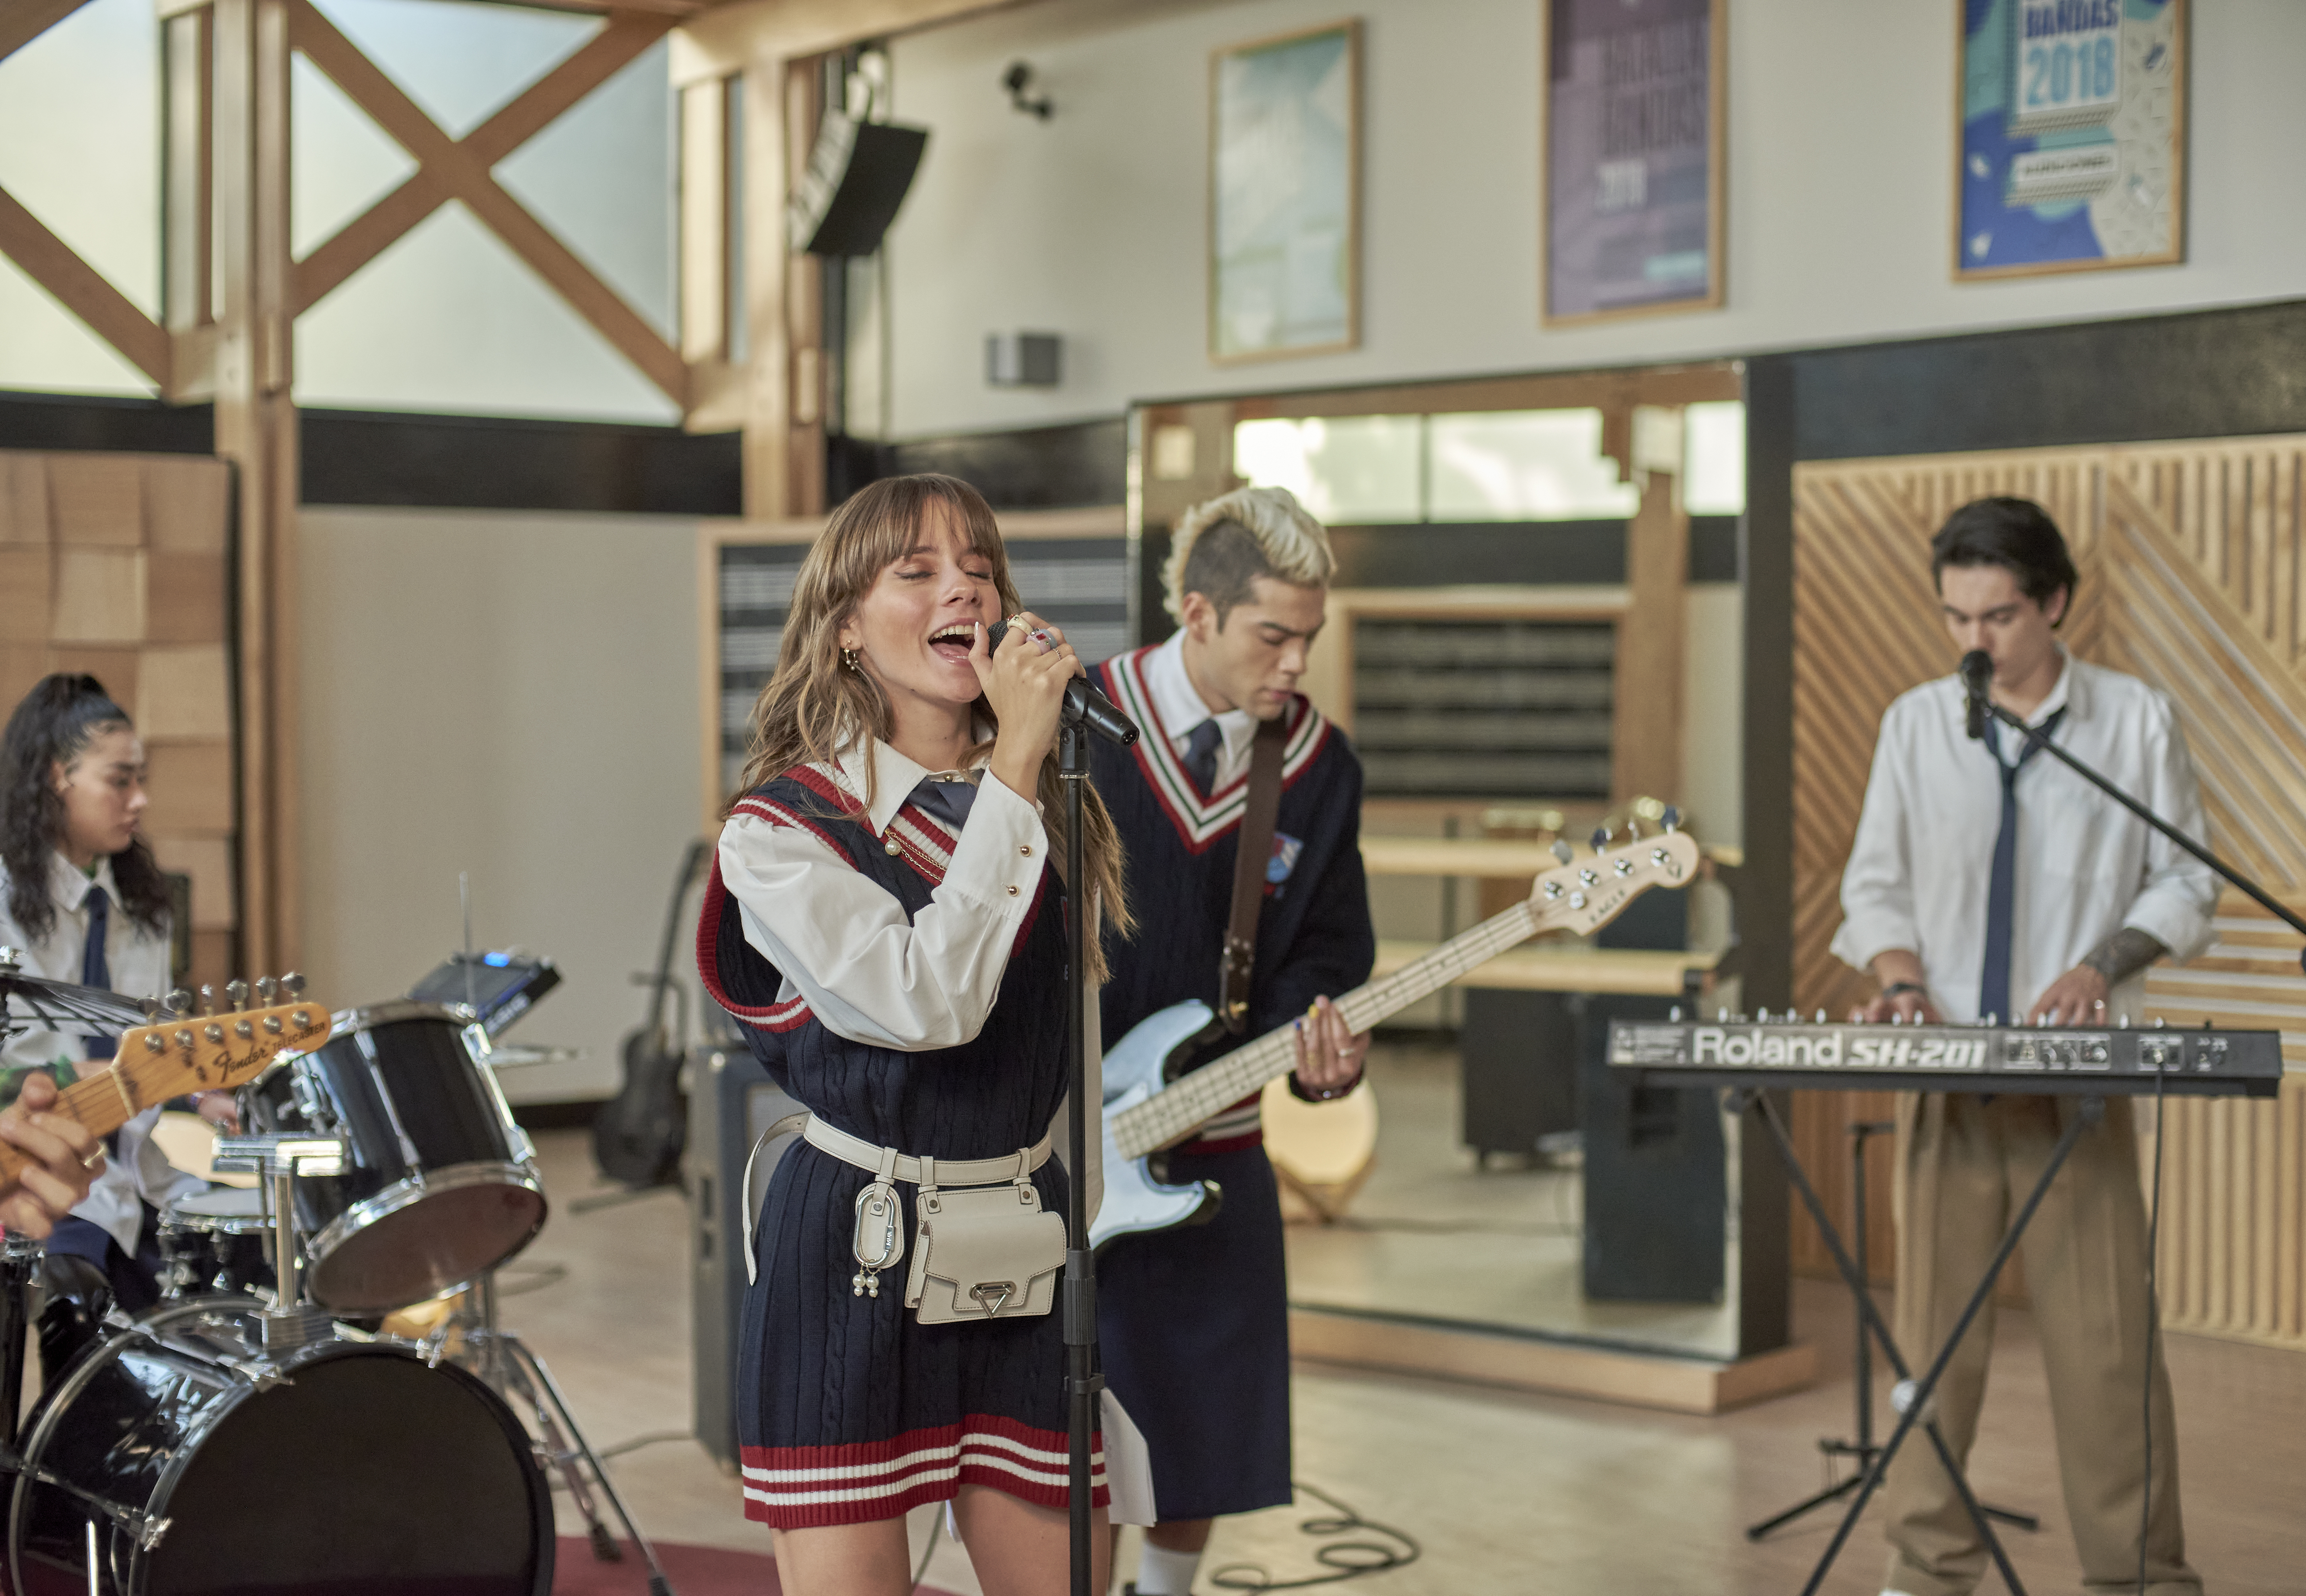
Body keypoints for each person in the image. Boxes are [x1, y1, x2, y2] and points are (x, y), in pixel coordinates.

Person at [695, 475, 1133, 1596]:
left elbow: (1064, 1043)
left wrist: (1086, 1211)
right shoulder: (780, 831)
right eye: (921, 571)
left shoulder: (1051, 801)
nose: (966, 593)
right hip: (855, 1242)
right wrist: (1015, 774)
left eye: (981, 570)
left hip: (1026, 1243)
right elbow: (923, 1006)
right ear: (845, 626)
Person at [1832, 498, 2215, 1596]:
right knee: (1931, 1354)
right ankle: (1927, 1570)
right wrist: (1901, 982)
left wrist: (2104, 961)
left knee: (2107, 1351)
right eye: (1955, 618)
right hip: (1944, 1081)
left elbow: (2186, 878)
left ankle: (2139, 1577)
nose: (1973, 643)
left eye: (1997, 617)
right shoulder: (1915, 724)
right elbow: (1873, 885)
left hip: (2075, 1085)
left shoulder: (2135, 721)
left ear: (2053, 602)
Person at [1086, 487, 1375, 1595]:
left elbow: (1332, 950)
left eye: (1310, 638)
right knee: (1077, 1451)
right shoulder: (1078, 726)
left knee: (1204, 1437)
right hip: (1060, 1160)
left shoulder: (1319, 765)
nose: (1295, 664)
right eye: (1273, 636)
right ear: (1197, 615)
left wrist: (1320, 1041)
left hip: (1219, 1148)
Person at [0, 675, 231, 1368]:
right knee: (82, 1362)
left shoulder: (142, 906)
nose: (141, 801)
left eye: (143, 780)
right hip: (39, 1185)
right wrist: (87, 1080)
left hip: (139, 1171)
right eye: (120, 781)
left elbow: (144, 1054)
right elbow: (16, 1078)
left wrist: (195, 1095)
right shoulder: (5, 901)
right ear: (57, 777)